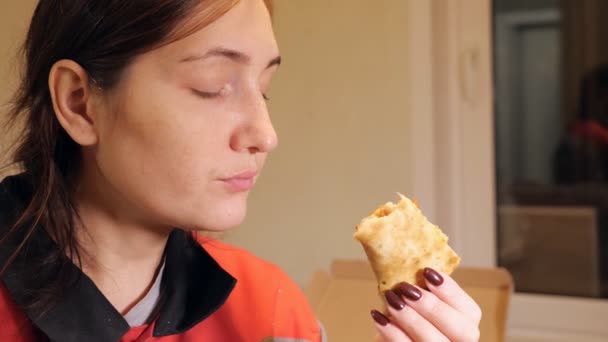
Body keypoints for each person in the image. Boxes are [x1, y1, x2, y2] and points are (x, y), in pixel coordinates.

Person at [0, 0, 481, 341]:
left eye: (265, 87)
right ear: (80, 103)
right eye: (212, 87)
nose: (265, 135)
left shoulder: (271, 309)